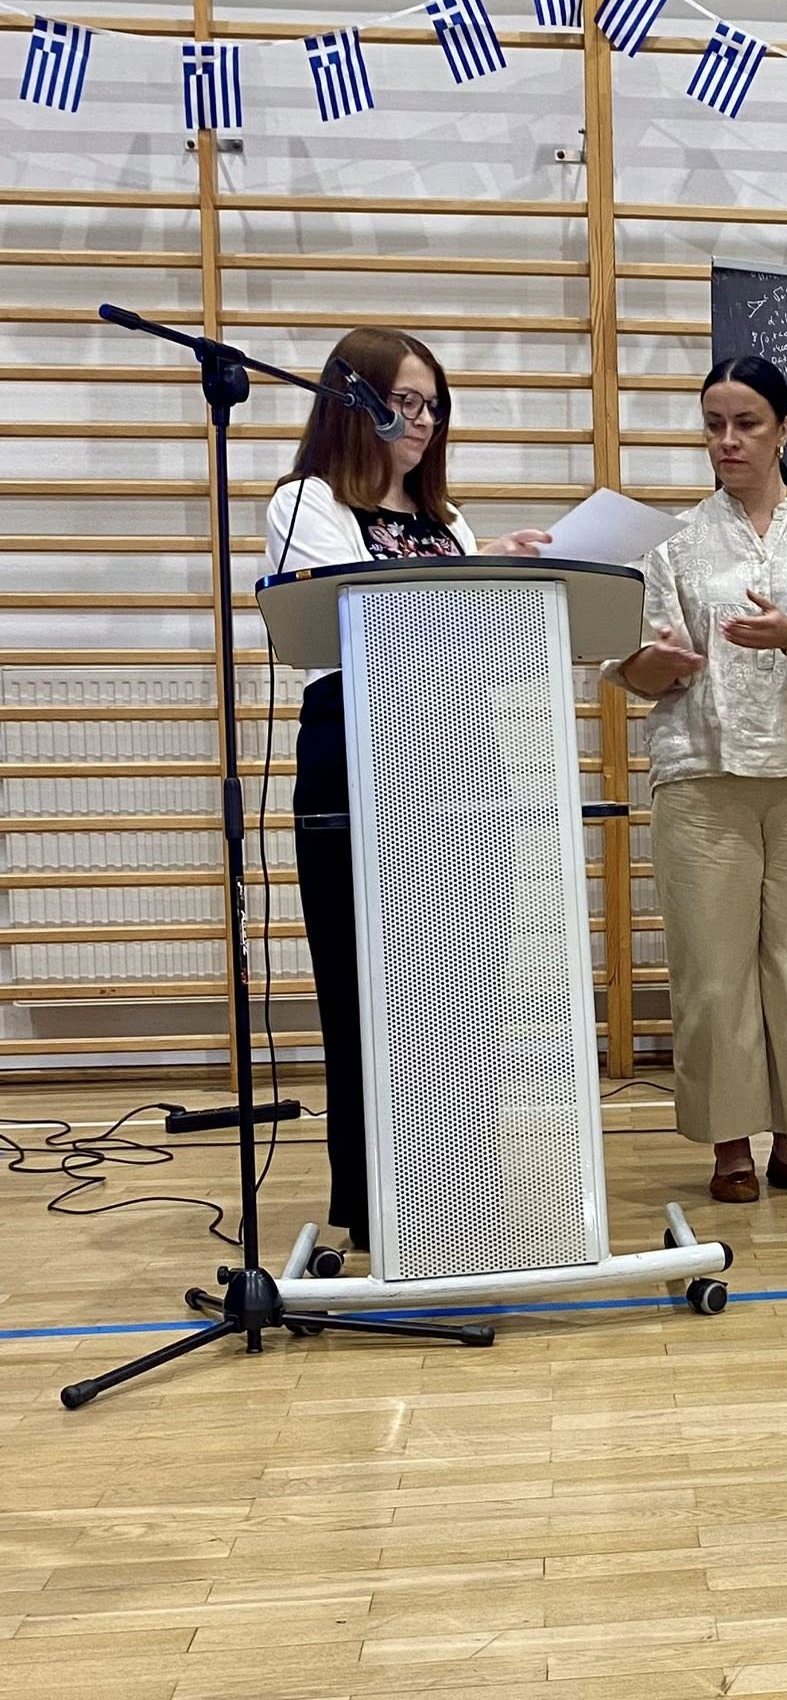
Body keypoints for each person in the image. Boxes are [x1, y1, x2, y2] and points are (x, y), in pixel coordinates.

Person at [265, 327, 551, 1251]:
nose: (424, 422)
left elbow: (464, 632)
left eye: (435, 406)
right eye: (406, 403)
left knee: (464, 989)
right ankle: (379, 1202)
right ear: (355, 403)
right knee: (369, 989)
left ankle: (461, 1189)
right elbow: (352, 614)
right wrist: (476, 573)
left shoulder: (449, 520)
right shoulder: (308, 502)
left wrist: (501, 584)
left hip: (458, 753)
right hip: (358, 751)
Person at [605, 354, 787, 1203]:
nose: (727, 441)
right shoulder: (671, 543)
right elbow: (634, 670)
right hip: (702, 775)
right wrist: (661, 661)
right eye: (714, 425)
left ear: (784, 430)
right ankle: (730, 1145)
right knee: (712, 970)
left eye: (746, 424)